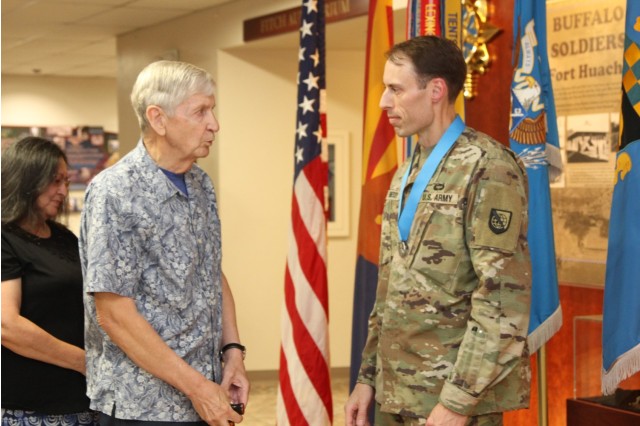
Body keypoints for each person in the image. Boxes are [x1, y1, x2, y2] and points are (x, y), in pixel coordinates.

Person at [345, 36, 532, 426]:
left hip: (448, 402)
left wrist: (458, 402)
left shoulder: (488, 167)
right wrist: (367, 378)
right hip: (394, 393)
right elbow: (389, 287)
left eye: (395, 89)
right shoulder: (407, 171)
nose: (383, 102)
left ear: (435, 90)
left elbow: (501, 302)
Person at [79, 60, 249, 426]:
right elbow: (114, 314)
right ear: (158, 119)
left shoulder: (202, 185)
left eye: (212, 110)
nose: (214, 124)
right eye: (201, 111)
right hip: (141, 406)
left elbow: (210, 273)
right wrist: (198, 389)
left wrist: (232, 352)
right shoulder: (116, 192)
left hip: (203, 392)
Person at [1, 137, 98, 426]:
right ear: (27, 179)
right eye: (55, 181)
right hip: (35, 409)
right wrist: (83, 362)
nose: (63, 191)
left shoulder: (63, 237)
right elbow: (7, 325)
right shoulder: (5, 238)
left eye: (66, 181)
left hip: (83, 401)